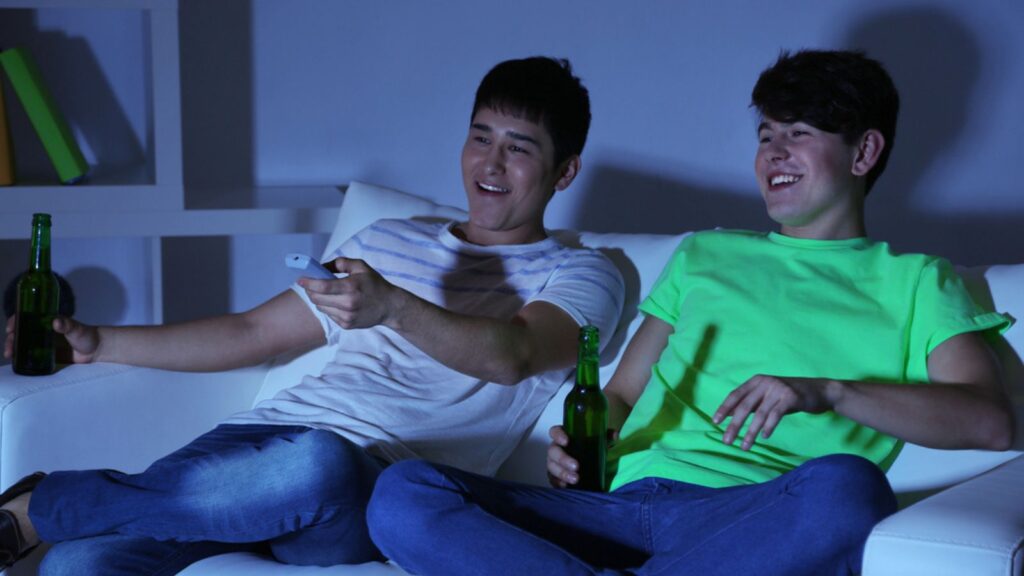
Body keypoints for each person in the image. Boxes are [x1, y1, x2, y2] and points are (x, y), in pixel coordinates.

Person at [365, 50, 1015, 576]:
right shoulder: (705, 254)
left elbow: (989, 423)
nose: (773, 153)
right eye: (766, 135)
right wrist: (582, 443)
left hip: (747, 521)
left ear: (864, 153)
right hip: (615, 508)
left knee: (850, 490)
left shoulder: (914, 282)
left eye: (798, 134)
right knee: (405, 492)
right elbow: (620, 393)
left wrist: (829, 391)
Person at [0, 56, 625, 575]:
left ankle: (38, 505)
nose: (490, 163)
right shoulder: (389, 239)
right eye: (480, 136)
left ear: (563, 171)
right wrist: (99, 342)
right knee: (75, 566)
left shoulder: (583, 273)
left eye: (519, 149)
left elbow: (512, 358)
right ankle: (59, 516)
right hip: (252, 451)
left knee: (317, 463)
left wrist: (394, 307)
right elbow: (251, 331)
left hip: (369, 486)